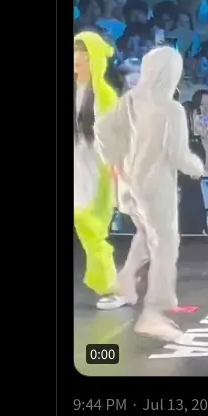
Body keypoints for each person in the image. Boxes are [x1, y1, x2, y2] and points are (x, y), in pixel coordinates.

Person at [94, 46, 206, 342]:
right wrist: (198, 167)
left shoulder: (132, 100)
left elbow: (102, 128)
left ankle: (126, 282)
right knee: (165, 244)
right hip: (155, 185)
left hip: (129, 183)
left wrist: (116, 160)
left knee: (146, 233)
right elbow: (178, 155)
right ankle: (155, 312)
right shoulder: (171, 109)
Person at [73, 31, 123, 309]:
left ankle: (111, 285)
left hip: (98, 169)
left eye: (81, 57)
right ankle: (107, 283)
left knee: (92, 225)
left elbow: (113, 137)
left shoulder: (104, 95)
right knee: (86, 227)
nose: (75, 62)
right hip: (77, 166)